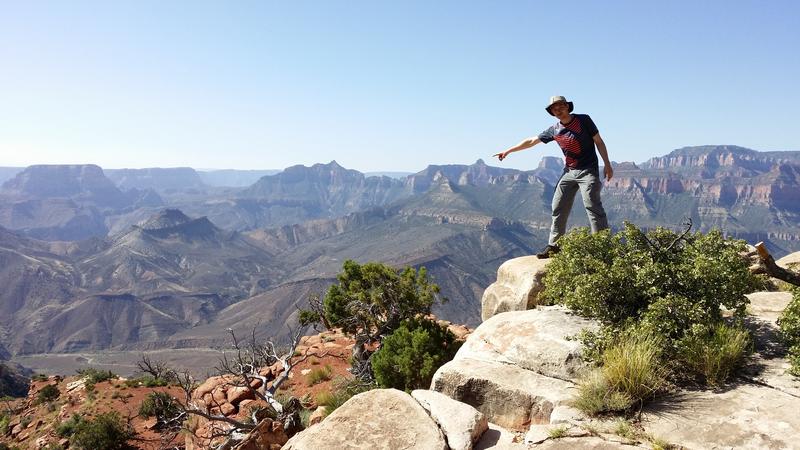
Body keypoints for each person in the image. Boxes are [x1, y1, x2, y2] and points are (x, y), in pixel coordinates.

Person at [493, 95, 613, 258]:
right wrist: (508, 150)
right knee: (558, 206)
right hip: (569, 172)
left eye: (561, 106)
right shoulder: (554, 130)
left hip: (588, 170)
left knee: (592, 205)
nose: (558, 109)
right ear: (552, 112)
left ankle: (602, 247)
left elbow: (598, 141)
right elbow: (531, 141)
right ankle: (555, 246)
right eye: (554, 108)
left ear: (567, 106)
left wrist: (607, 164)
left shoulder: (584, 120)